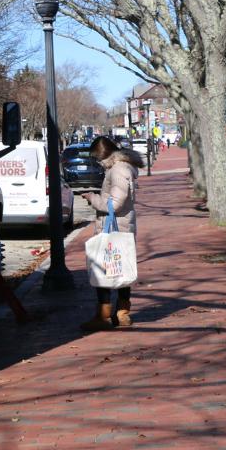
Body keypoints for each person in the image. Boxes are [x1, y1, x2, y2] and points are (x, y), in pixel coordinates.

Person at [80, 136, 145, 331]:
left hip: (114, 226)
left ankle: (104, 315)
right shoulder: (122, 167)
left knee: (104, 269)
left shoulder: (117, 170)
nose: (98, 163)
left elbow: (114, 204)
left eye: (97, 158)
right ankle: (122, 313)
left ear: (104, 155)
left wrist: (93, 198)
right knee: (121, 269)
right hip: (123, 227)